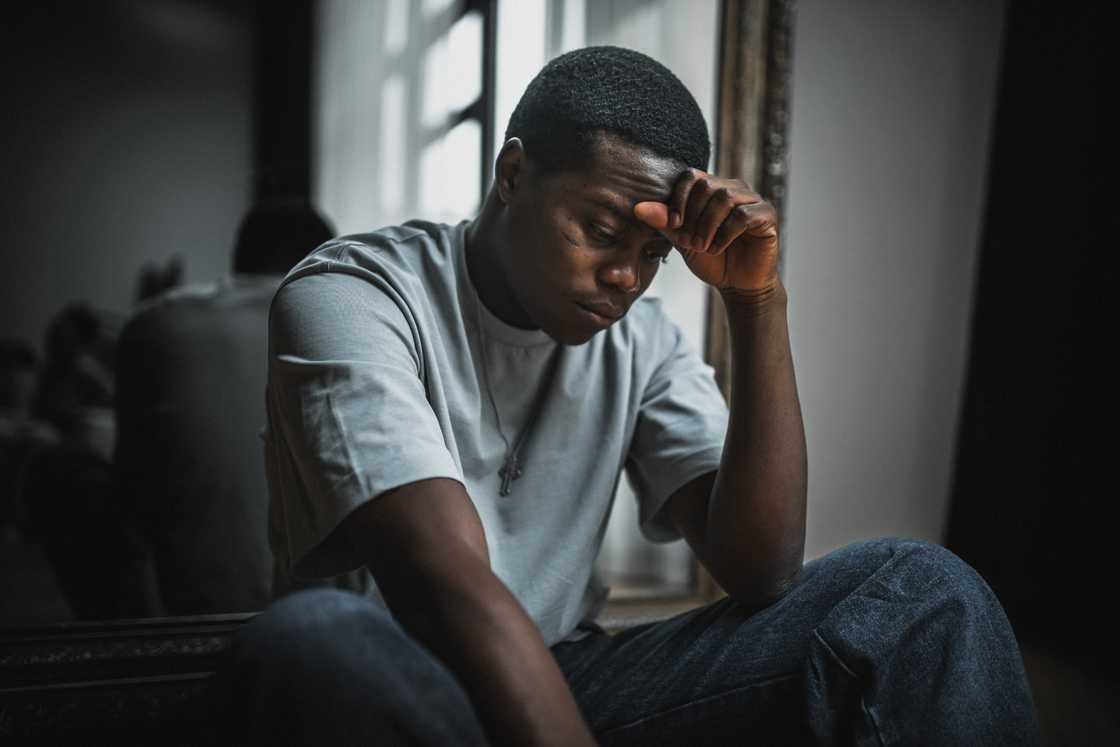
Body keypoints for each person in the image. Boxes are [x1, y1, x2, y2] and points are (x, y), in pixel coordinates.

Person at [226, 47, 1040, 745]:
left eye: (654, 253)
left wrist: (758, 305)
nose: (625, 277)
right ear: (513, 174)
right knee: (312, 637)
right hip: (393, 675)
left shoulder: (641, 339)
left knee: (920, 591)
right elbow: (440, 580)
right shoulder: (354, 294)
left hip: (568, 677)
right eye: (605, 231)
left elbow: (758, 571)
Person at [114, 201, 334, 615]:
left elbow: (129, 498)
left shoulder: (151, 323)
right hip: (326, 625)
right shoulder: (338, 322)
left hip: (185, 620)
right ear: (326, 261)